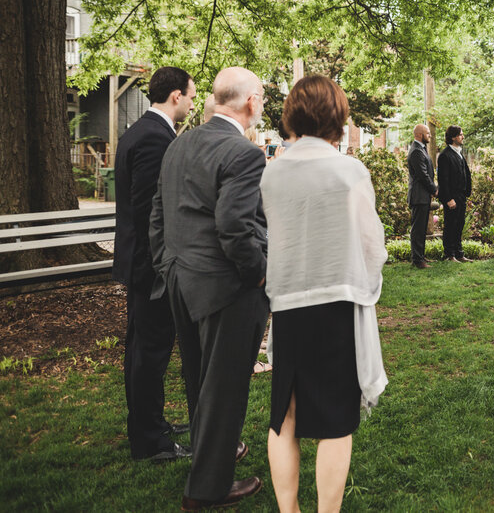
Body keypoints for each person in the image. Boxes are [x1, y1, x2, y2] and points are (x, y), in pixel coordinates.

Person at [260, 75, 388, 513]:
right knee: (336, 421)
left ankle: (288, 510)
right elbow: (372, 244)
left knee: (286, 418)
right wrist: (368, 281)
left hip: (290, 306)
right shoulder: (349, 170)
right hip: (336, 305)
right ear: (337, 115)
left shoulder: (272, 172)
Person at [150, 66, 270, 510]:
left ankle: (210, 452)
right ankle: (207, 489)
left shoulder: (179, 142)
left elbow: (157, 217)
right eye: (261, 96)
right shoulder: (243, 152)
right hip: (226, 286)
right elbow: (236, 228)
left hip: (181, 279)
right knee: (225, 385)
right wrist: (259, 273)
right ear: (250, 101)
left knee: (199, 378)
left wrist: (168, 265)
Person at [112, 66, 195, 461]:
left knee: (143, 350)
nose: (192, 103)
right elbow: (149, 212)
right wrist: (159, 270)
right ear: (175, 96)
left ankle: (150, 423)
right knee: (151, 351)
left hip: (141, 264)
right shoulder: (154, 139)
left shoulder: (141, 130)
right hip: (149, 268)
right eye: (191, 96)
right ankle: (149, 441)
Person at [437, 125, 472, 263]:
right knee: (451, 225)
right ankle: (449, 255)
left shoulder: (459, 153)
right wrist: (448, 199)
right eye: (460, 134)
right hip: (451, 197)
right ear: (453, 137)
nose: (463, 137)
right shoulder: (445, 155)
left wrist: (466, 194)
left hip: (461, 196)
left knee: (459, 225)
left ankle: (459, 253)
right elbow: (443, 180)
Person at [407, 124, 437, 269]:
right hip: (418, 196)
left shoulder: (421, 149)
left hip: (423, 195)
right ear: (419, 135)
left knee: (421, 229)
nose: (430, 135)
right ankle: (417, 260)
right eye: (427, 133)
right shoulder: (416, 151)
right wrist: (434, 189)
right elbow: (422, 175)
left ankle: (421, 257)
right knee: (418, 230)